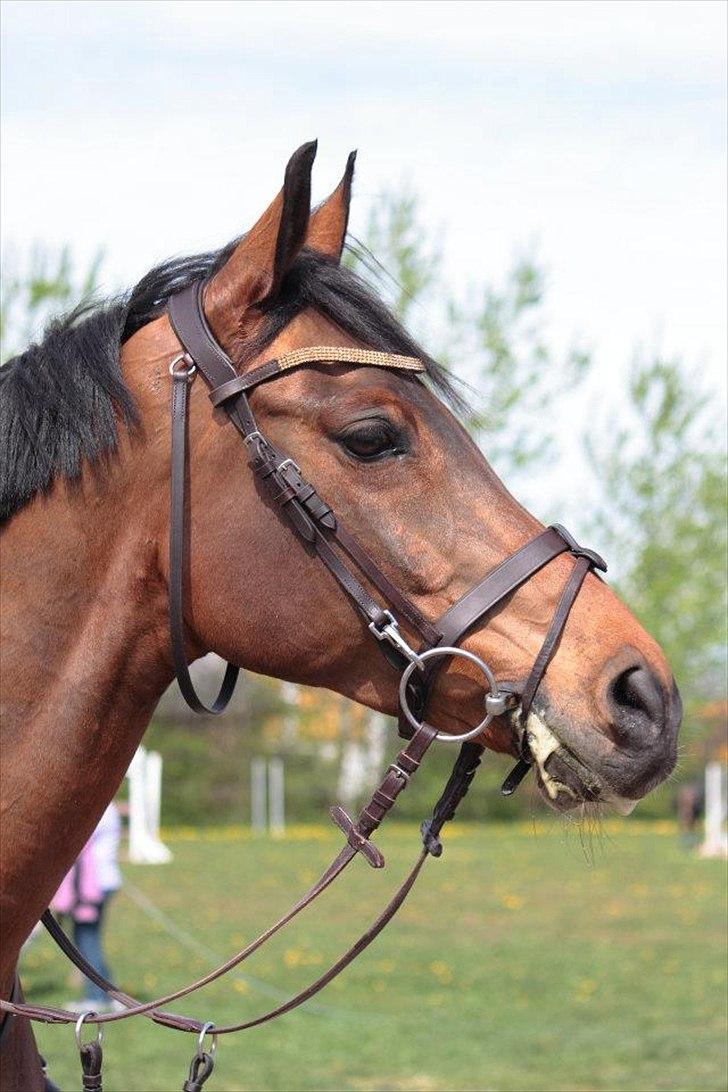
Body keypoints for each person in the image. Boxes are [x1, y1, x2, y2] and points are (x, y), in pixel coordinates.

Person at [51, 802, 122, 1013]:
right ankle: (109, 992)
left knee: (86, 940)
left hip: (93, 884)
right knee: (87, 939)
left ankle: (97, 996)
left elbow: (77, 839)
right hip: (100, 880)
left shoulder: (101, 811)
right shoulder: (111, 810)